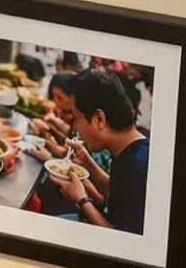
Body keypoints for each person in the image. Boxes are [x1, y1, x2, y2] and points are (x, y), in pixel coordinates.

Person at [50, 67, 150, 234]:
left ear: (99, 119)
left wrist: (82, 200)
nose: (74, 126)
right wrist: (89, 164)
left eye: (76, 117)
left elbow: (121, 240)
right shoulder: (129, 150)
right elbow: (119, 196)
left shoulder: (136, 166)